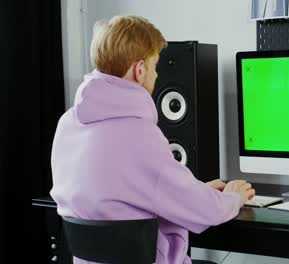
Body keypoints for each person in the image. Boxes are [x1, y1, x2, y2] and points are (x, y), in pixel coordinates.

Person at [50, 15, 255, 264]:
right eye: (155, 65)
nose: (157, 76)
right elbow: (207, 211)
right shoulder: (139, 136)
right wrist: (232, 197)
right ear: (140, 69)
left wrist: (195, 192)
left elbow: (122, 203)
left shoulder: (67, 124)